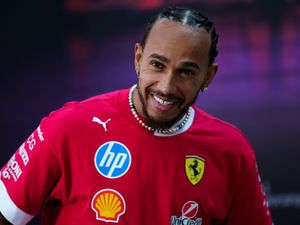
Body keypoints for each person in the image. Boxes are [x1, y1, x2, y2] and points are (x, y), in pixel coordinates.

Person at [0, 5, 273, 225]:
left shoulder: (231, 150)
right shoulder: (69, 126)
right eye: (157, 65)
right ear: (138, 58)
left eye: (186, 72)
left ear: (208, 76)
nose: (166, 87)